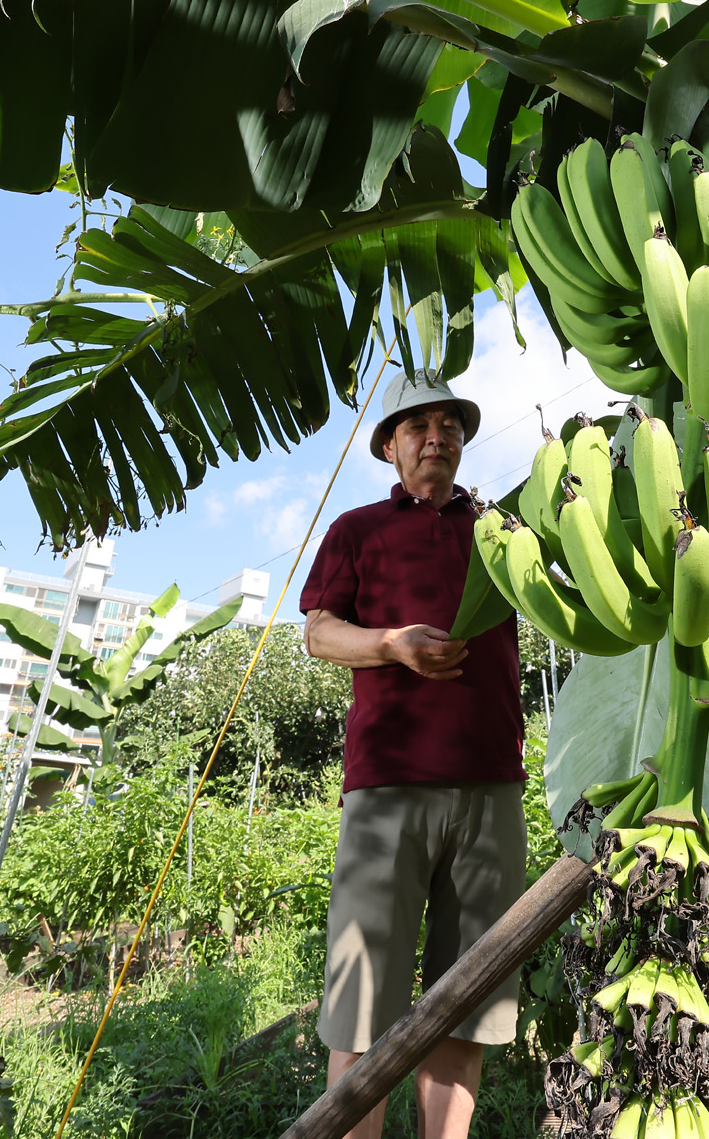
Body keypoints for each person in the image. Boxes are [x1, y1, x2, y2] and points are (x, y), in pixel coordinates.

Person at [301, 370, 525, 1139]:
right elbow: (319, 632)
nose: (437, 437)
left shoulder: (501, 533)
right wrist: (392, 644)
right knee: (362, 1008)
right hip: (387, 788)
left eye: (450, 425)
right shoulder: (357, 530)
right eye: (418, 426)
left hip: (492, 788)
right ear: (389, 447)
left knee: (466, 1006)